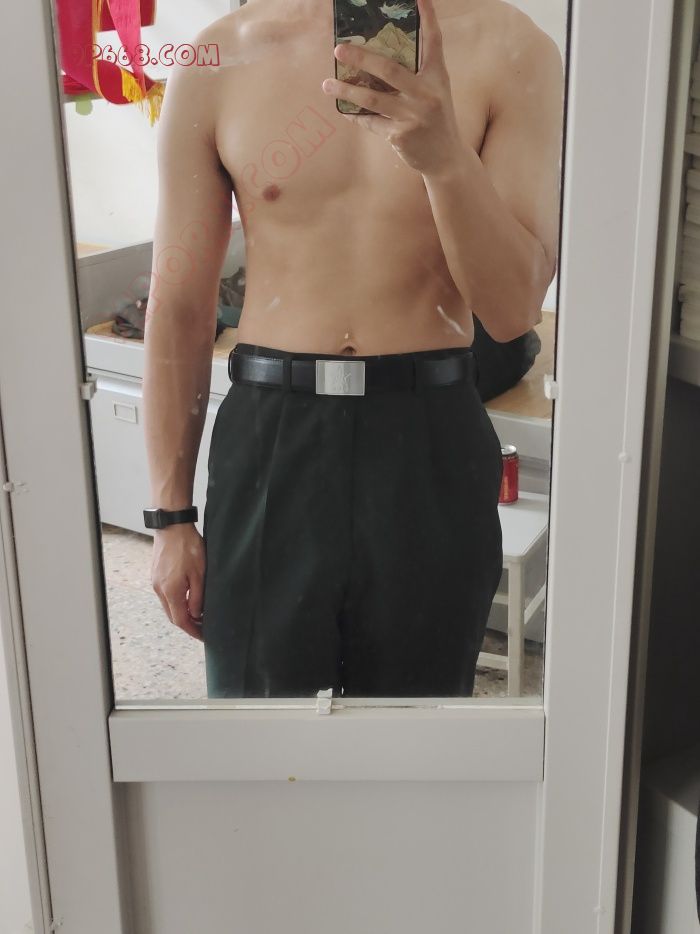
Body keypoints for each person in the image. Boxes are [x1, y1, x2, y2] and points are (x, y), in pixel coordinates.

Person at [143, 0, 564, 698]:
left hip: (427, 435)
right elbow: (179, 307)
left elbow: (513, 309)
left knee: (418, 725)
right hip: (271, 435)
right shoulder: (218, 58)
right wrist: (170, 518)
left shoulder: (513, 48)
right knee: (258, 722)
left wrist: (444, 159)